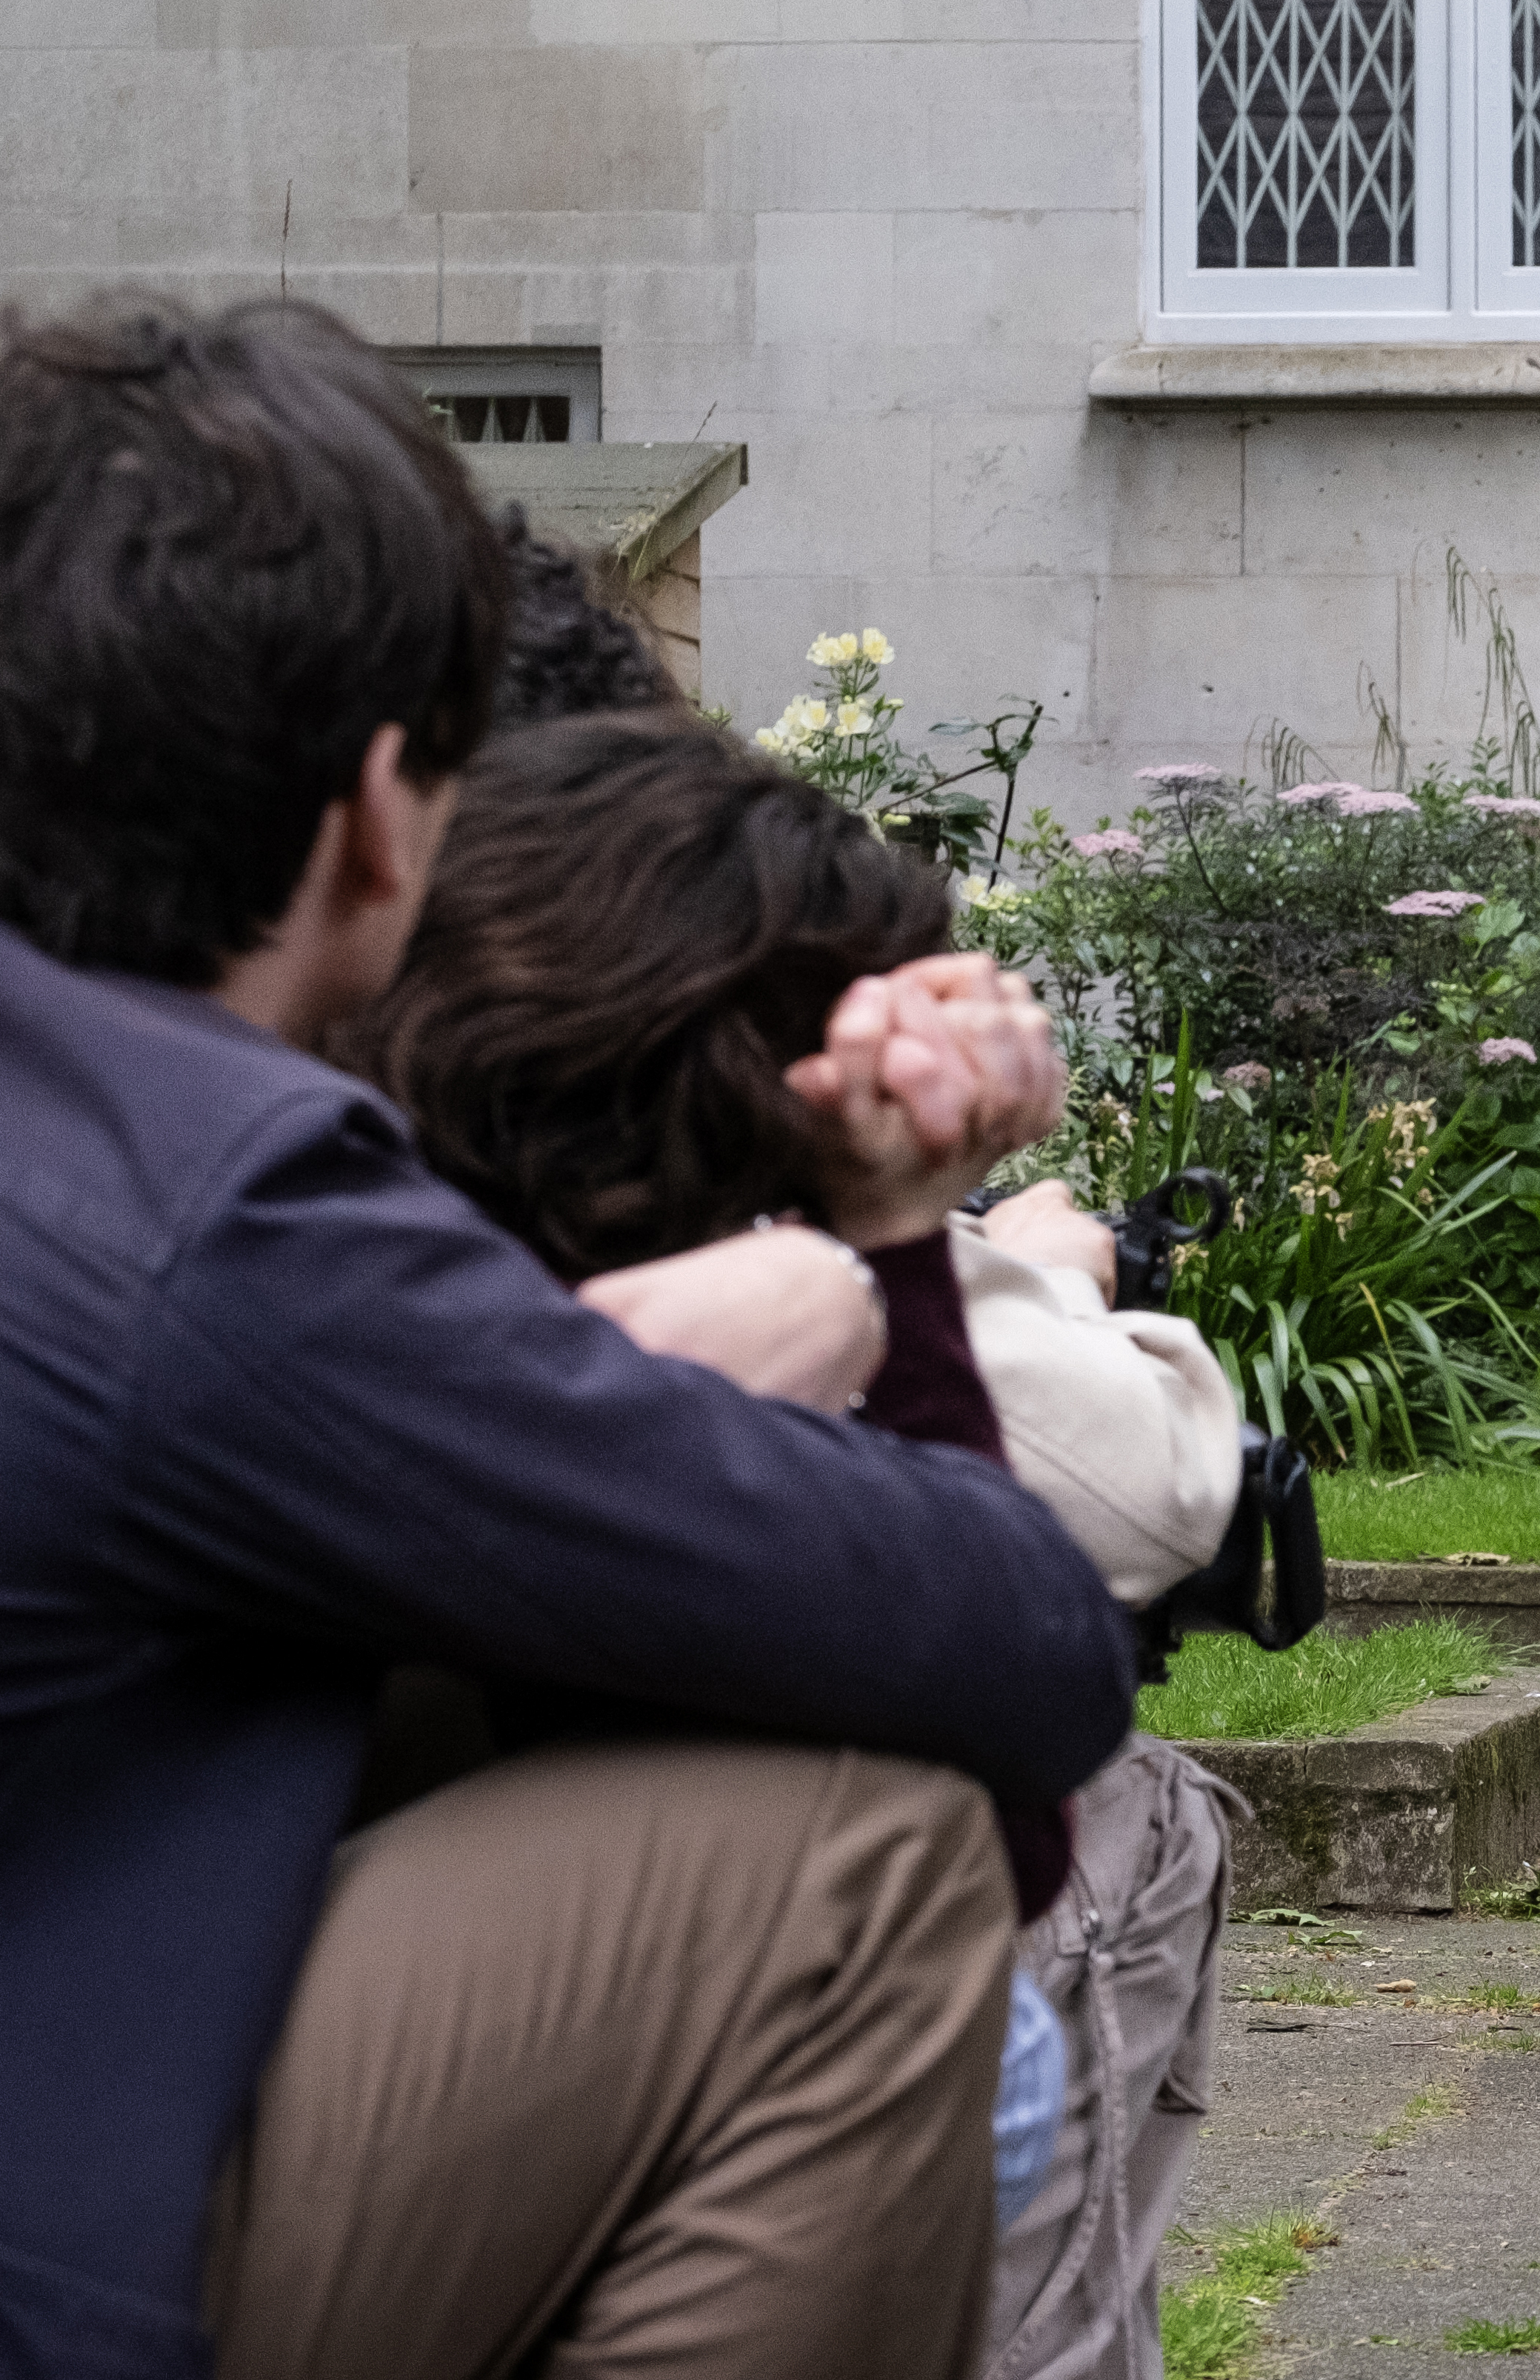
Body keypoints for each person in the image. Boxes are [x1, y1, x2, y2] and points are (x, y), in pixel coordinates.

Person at [0, 296, 1131, 2380]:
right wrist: (856, 1261)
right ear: (377, 823)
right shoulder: (194, 1213)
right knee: (845, 1880)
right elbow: (1017, 1666)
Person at [343, 696, 1253, 2380]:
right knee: (1026, 1843)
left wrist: (900, 1239)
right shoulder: (587, 1355)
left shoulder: (384, 1234)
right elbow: (1001, 1780)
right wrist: (893, 1248)